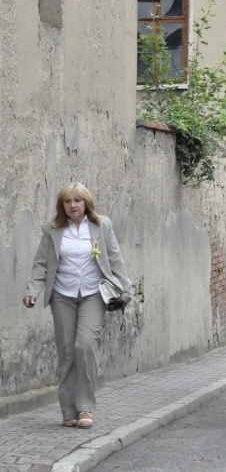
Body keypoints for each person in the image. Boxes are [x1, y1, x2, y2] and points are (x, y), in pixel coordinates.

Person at [22, 182, 131, 429]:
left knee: (85, 346)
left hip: (93, 294)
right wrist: (33, 291)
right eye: (68, 201)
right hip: (62, 295)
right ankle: (68, 410)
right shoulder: (52, 229)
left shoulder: (102, 225)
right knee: (68, 352)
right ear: (62, 205)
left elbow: (115, 258)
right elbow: (41, 264)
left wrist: (127, 289)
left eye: (78, 200)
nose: (73, 205)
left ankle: (85, 408)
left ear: (86, 203)